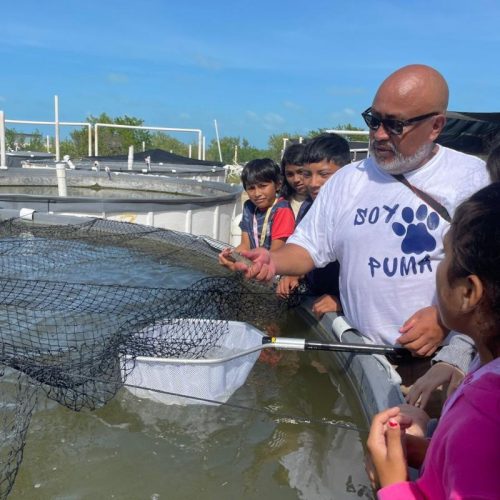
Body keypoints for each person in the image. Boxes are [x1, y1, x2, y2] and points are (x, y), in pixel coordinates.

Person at [226, 64, 489, 386]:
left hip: (437, 364)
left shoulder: (473, 179)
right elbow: (309, 247)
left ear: (435, 125)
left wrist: (444, 321)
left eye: (395, 125)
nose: (379, 134)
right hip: (359, 355)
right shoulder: (349, 179)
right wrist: (272, 260)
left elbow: (489, 280)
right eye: (374, 119)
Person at [367, 182, 500, 498]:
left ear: (468, 292)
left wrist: (394, 484)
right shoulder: (487, 369)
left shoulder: (483, 418)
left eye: (445, 254)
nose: (437, 268)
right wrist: (426, 451)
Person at [277, 133, 351, 319]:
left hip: (344, 308)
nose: (313, 183)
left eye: (324, 174)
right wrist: (295, 274)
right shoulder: (308, 208)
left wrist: (341, 300)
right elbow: (307, 251)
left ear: (348, 172)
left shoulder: (357, 215)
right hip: (313, 296)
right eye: (307, 174)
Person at [219, 158, 295, 270]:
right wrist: (232, 256)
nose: (257, 193)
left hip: (275, 268)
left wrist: (238, 266)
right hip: (256, 263)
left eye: (263, 186)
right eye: (251, 188)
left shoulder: (282, 209)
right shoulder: (248, 207)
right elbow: (245, 246)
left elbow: (275, 254)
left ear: (278, 185)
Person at [280, 142, 308, 218]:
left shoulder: (323, 201)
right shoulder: (280, 204)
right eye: (290, 174)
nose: (296, 180)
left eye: (301, 172)